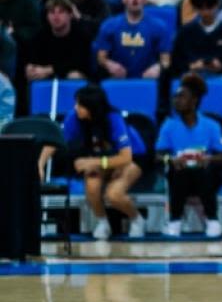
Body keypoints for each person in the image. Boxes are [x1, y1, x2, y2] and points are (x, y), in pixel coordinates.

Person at [38, 84, 146, 240]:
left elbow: (125, 157)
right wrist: (40, 164)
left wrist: (94, 162)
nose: (76, 108)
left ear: (92, 107)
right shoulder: (74, 117)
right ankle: (103, 222)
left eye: (80, 105)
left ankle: (137, 219)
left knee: (114, 194)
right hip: (102, 157)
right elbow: (55, 141)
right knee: (92, 184)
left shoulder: (113, 119)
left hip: (132, 158)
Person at [158, 73, 222, 237]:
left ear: (194, 100)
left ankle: (212, 221)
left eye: (181, 97)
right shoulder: (169, 125)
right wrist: (171, 159)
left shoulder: (212, 126)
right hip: (180, 174)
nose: (176, 100)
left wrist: (208, 158)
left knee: (207, 171)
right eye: (175, 97)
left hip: (205, 175)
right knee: (176, 171)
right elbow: (158, 154)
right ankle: (175, 221)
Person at [94, 0, 171, 80]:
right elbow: (101, 57)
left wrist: (158, 68)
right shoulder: (109, 25)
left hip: (148, 82)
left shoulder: (160, 26)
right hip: (118, 81)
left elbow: (166, 60)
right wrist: (109, 64)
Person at [171, 0, 222, 77]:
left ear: (217, 4)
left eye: (209, 7)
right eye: (201, 8)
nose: (206, 12)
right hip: (191, 78)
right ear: (195, 8)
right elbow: (176, 62)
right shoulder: (185, 32)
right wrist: (191, 66)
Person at [24, 0, 94, 82]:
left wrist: (49, 70)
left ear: (70, 15)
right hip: (46, 78)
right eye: (52, 12)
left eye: (61, 12)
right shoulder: (39, 37)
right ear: (47, 16)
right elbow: (33, 61)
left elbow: (79, 64)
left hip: (72, 78)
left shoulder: (82, 36)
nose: (56, 16)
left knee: (74, 76)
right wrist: (31, 69)